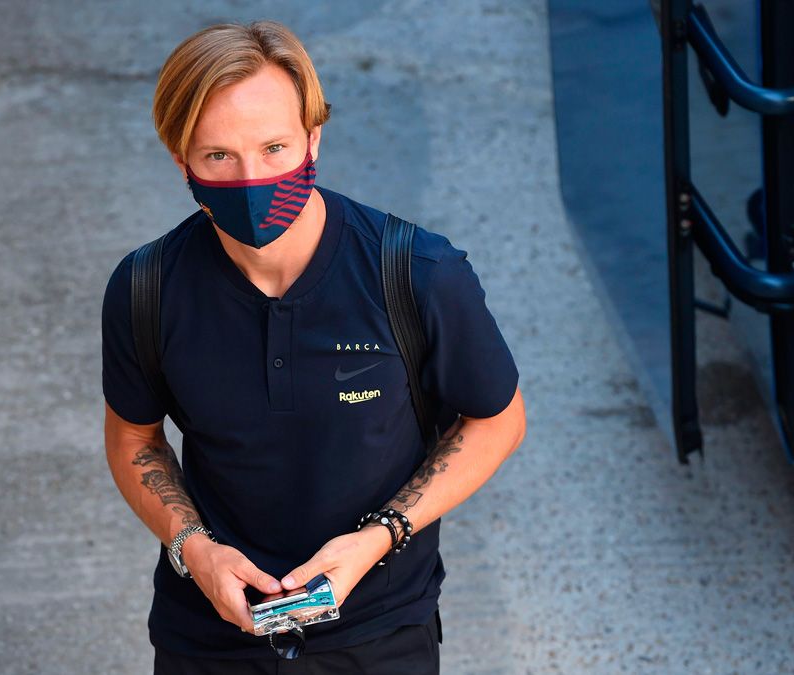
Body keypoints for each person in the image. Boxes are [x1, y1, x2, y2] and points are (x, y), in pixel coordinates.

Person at [101, 19, 527, 674]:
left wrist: (379, 536)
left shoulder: (414, 274)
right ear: (179, 158)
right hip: (205, 635)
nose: (252, 179)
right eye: (219, 156)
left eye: (274, 147)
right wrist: (192, 545)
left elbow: (498, 419)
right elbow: (134, 438)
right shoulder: (147, 287)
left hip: (380, 631)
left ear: (313, 138)